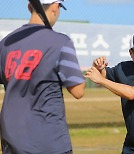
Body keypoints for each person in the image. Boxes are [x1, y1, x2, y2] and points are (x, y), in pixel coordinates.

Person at [0, 0, 85, 153]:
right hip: (48, 140)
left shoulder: (5, 43)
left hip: (11, 139)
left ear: (29, 7)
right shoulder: (61, 42)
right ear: (54, 7)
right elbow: (78, 91)